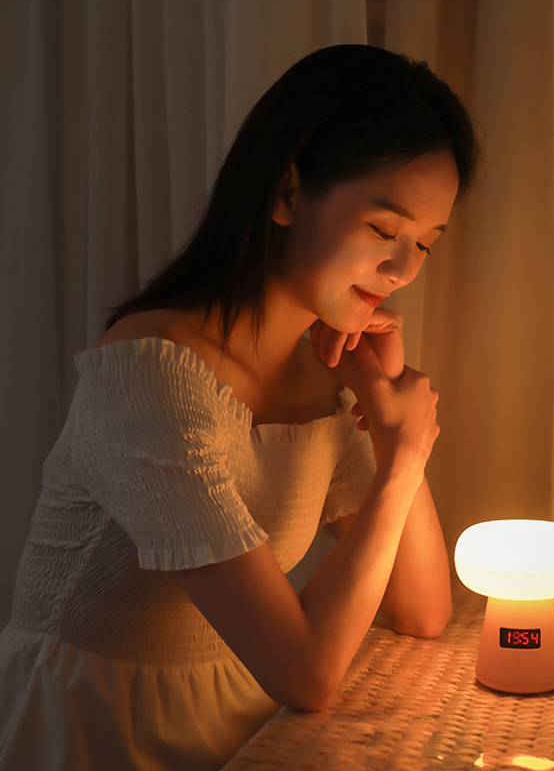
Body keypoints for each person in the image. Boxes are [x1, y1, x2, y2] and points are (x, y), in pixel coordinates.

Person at [0, 44, 478, 770]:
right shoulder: (149, 371)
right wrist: (404, 454)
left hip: (247, 727)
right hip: (99, 732)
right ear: (287, 191)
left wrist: (384, 414)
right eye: (384, 229)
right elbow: (306, 673)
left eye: (425, 245)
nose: (404, 269)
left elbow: (420, 609)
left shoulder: (323, 376)